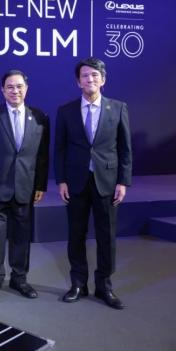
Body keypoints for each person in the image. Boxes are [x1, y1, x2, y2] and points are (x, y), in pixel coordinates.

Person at [54, 57, 132, 309]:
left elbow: (125, 149)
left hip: (107, 182)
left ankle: (104, 286)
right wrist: (61, 180)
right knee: (76, 235)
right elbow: (60, 149)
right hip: (75, 183)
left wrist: (123, 181)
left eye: (94, 75)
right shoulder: (65, 111)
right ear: (78, 82)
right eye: (85, 75)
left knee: (106, 236)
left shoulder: (118, 108)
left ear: (103, 80)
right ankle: (78, 284)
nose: (90, 79)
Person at [0, 70, 50, 301]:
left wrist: (41, 185)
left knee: (22, 236)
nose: (15, 91)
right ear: (2, 90)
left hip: (26, 186)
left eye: (19, 86)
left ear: (26, 89)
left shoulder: (40, 117)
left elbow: (42, 156)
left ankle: (19, 279)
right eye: (10, 87)